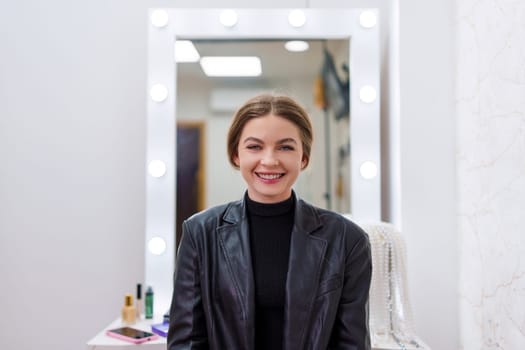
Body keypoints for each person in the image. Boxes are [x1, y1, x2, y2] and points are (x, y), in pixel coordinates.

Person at [167, 94, 372, 350]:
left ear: (304, 157)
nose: (269, 160)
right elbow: (186, 343)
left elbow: (351, 344)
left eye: (285, 147)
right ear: (236, 155)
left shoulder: (347, 240)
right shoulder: (199, 233)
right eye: (254, 146)